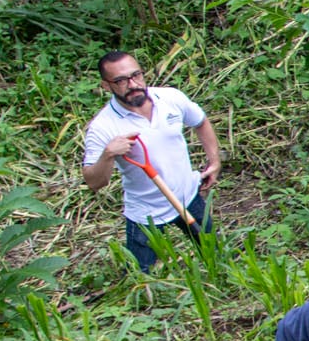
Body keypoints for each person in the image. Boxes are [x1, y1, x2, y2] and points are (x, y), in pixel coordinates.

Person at [80, 51, 220, 272]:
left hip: (188, 195)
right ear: (106, 86)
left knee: (216, 256)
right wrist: (108, 154)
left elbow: (200, 122)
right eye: (121, 81)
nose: (133, 84)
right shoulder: (103, 126)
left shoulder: (170, 98)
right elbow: (94, 182)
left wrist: (214, 161)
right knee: (139, 274)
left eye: (136, 75)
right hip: (147, 212)